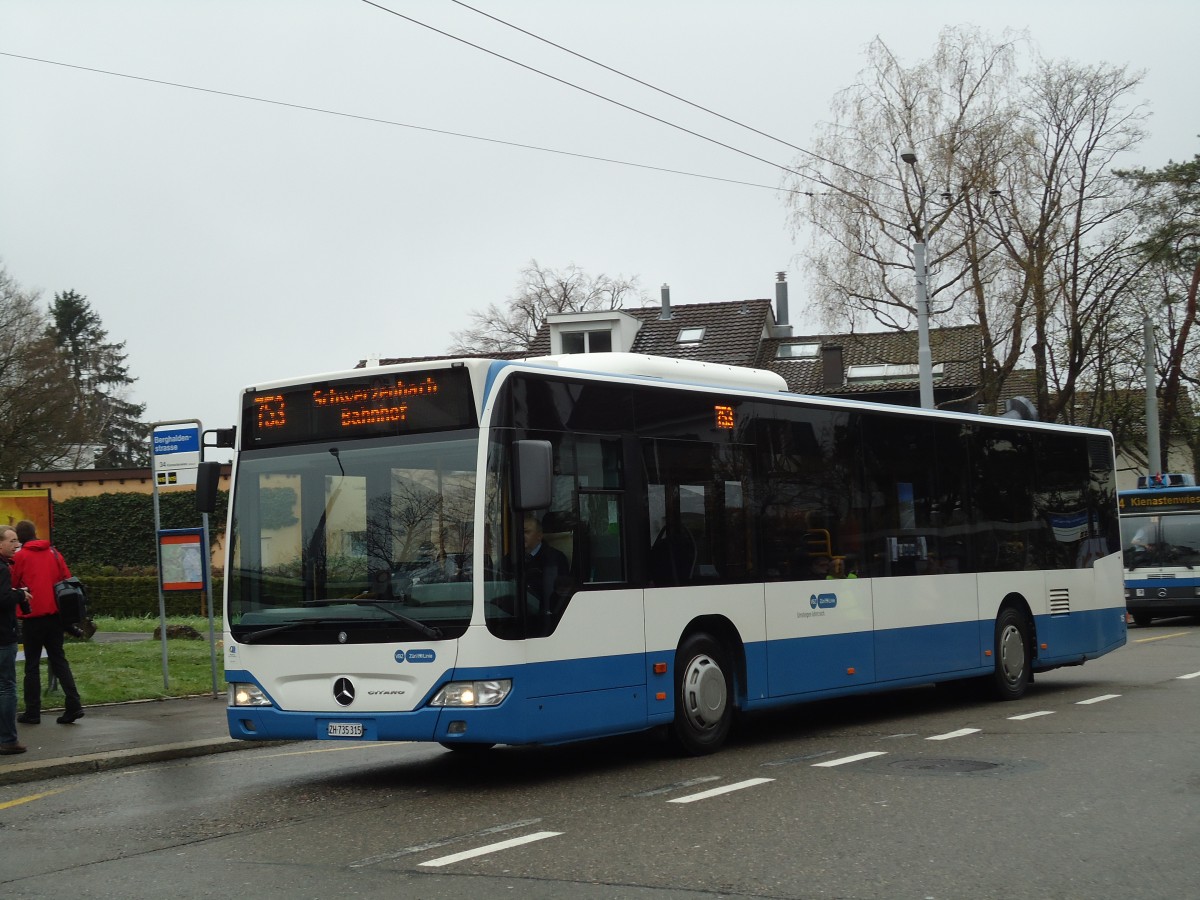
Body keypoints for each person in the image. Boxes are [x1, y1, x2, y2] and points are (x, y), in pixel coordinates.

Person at [12, 520, 84, 725]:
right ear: (35, 533)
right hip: (55, 617)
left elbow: (14, 583)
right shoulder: (53, 553)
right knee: (59, 660)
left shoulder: (20, 557)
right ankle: (74, 705)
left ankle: (33, 712)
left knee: (32, 665)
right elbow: (67, 579)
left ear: (20, 537)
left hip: (32, 617)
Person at [1, 525, 31, 753]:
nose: (16, 545)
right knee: (6, 688)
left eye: (17, 541)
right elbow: (2, 599)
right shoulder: (2, 568)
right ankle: (8, 740)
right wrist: (20, 594)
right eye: (11, 541)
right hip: (3, 636)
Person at [522, 513, 571, 609]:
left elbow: (561, 594)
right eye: (520, 532)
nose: (522, 536)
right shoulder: (510, 558)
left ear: (539, 536)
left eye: (526, 532)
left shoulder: (556, 559)